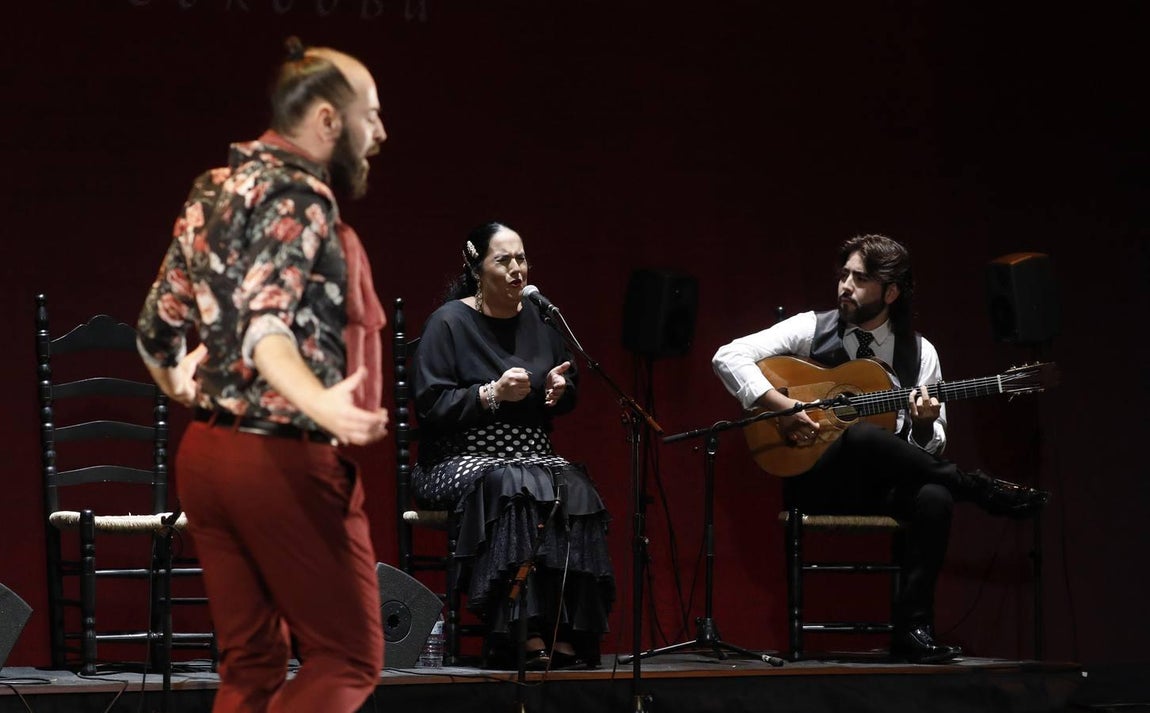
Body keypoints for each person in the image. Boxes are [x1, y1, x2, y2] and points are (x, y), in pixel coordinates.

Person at [136, 37, 389, 712]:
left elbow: (156, 332)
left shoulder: (213, 187)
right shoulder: (302, 197)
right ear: (329, 121)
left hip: (207, 457)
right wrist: (323, 407)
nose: (381, 133)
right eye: (371, 114)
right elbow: (266, 328)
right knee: (350, 655)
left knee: (251, 665)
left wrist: (179, 383)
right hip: (277, 456)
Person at [711, 233, 1049, 664]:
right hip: (818, 479)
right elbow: (728, 356)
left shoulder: (920, 353)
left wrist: (925, 426)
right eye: (845, 275)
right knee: (859, 435)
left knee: (935, 495)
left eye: (860, 279)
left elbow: (931, 446)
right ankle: (978, 488)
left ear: (890, 292)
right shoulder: (810, 327)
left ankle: (912, 629)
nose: (844, 287)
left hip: (883, 487)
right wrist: (783, 407)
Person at [410, 222, 614, 670]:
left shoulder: (541, 319)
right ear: (476, 266)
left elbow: (564, 385)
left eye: (521, 258)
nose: (516, 269)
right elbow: (430, 406)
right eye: (503, 260)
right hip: (458, 457)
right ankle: (519, 629)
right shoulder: (448, 322)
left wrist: (562, 389)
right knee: (512, 485)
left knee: (576, 487)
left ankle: (564, 629)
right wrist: (490, 394)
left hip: (532, 454)